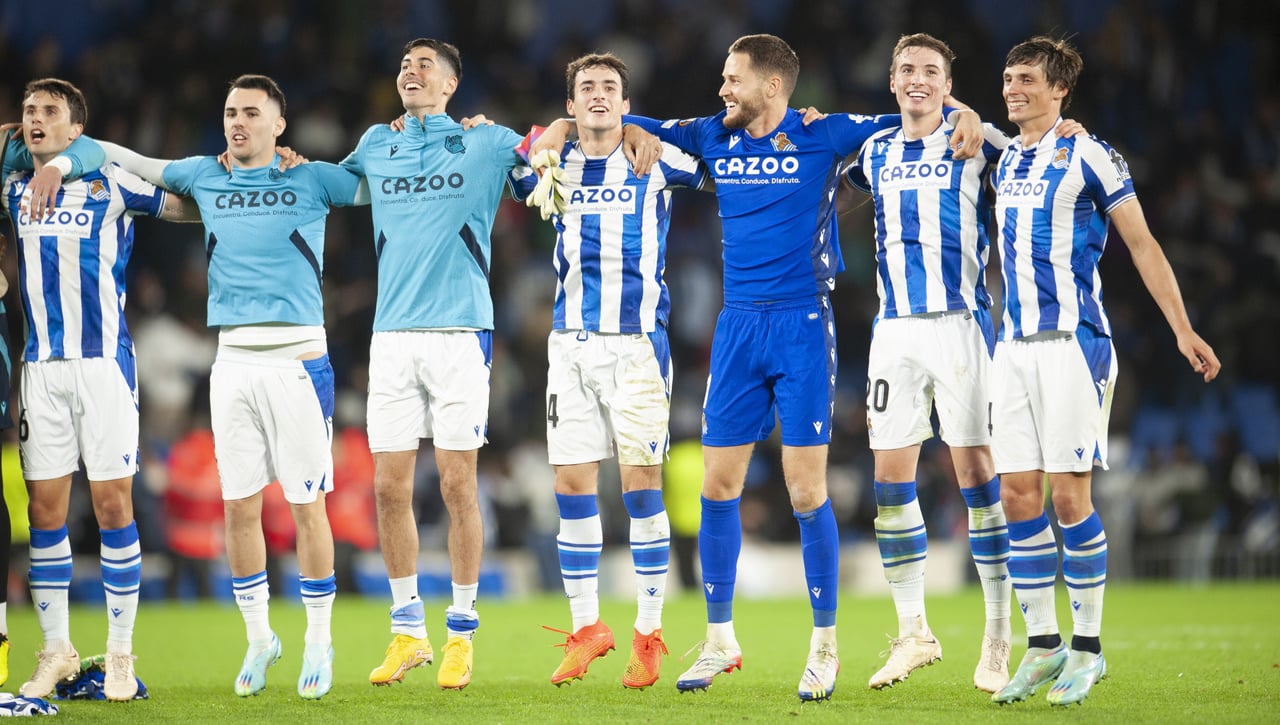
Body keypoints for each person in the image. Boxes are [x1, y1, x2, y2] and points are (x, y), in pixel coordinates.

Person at [536, 33, 984, 702]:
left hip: (803, 324)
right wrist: (562, 127)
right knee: (717, 487)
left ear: (771, 86)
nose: (722, 90)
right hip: (737, 326)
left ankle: (824, 644)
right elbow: (619, 120)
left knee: (806, 491)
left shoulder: (826, 133)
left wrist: (964, 112)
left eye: (732, 79)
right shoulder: (714, 135)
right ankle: (720, 639)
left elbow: (911, 114)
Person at [341, 38, 659, 692]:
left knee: (459, 485)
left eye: (425, 65)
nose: (410, 71)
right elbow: (332, 185)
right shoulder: (378, 140)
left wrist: (572, 124)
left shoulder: (486, 142)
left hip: (462, 331)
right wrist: (277, 165)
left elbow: (548, 151)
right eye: (404, 64)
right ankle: (407, 631)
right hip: (392, 334)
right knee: (388, 487)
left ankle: (460, 633)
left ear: (453, 85)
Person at [85, 74, 367, 699]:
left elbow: (382, 183)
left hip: (297, 360)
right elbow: (132, 161)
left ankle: (318, 640)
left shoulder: (313, 177)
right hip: (232, 360)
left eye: (250, 113)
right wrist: (74, 145)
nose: (236, 122)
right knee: (238, 506)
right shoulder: (203, 175)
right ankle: (260, 637)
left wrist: (404, 133)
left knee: (304, 507)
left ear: (279, 126)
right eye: (229, 112)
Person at [836, 33, 1085, 694]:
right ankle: (914, 630)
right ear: (893, 82)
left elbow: (1041, 143)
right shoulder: (876, 151)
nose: (918, 80)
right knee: (891, 480)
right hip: (893, 332)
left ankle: (1000, 637)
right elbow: (839, 179)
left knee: (979, 476)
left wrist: (1062, 129)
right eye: (908, 70)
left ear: (947, 85)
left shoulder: (977, 141)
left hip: (963, 327)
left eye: (932, 72)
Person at [986, 37, 1220, 707]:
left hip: (1073, 345)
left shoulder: (1090, 154)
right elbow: (942, 113)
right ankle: (1042, 648)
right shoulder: (1008, 159)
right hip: (1013, 348)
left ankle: (1087, 651)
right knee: (1018, 498)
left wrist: (1182, 328)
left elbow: (1142, 245)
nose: (1013, 88)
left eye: (1027, 78)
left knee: (1069, 498)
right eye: (1007, 77)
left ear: (1060, 91)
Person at [508, 52, 708, 689]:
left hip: (638, 347)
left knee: (641, 486)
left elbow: (713, 157)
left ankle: (648, 635)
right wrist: (548, 134)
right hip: (568, 343)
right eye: (586, 89)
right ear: (570, 104)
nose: (598, 95)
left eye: (610, 89)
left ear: (626, 103)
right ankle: (589, 627)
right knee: (570, 482)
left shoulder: (655, 158)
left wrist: (646, 128)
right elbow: (510, 164)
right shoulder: (549, 160)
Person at [1, 78, 194, 702]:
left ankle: (117, 653)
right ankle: (56, 649)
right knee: (44, 513)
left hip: (104, 365)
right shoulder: (11, 186)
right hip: (41, 369)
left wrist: (239, 195)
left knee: (114, 507)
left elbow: (184, 206)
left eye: (49, 112)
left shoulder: (110, 179)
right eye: (29, 111)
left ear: (76, 128)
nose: (34, 119)